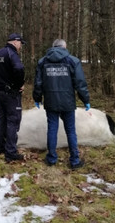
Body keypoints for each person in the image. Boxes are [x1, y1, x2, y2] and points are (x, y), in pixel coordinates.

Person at [32, 39, 91, 169]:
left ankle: (52, 158)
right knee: (70, 131)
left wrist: (37, 98)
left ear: (53, 47)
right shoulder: (73, 61)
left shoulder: (43, 62)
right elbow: (80, 84)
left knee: (52, 129)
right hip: (67, 102)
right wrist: (85, 100)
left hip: (51, 101)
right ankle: (74, 161)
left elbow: (38, 83)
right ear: (64, 47)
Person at [0, 33, 27, 163]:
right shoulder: (12, 54)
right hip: (11, 94)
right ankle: (10, 152)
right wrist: (18, 85)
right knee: (13, 120)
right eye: (20, 43)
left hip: (0, 92)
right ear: (15, 42)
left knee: (1, 118)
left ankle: (0, 147)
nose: (20, 46)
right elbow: (19, 68)